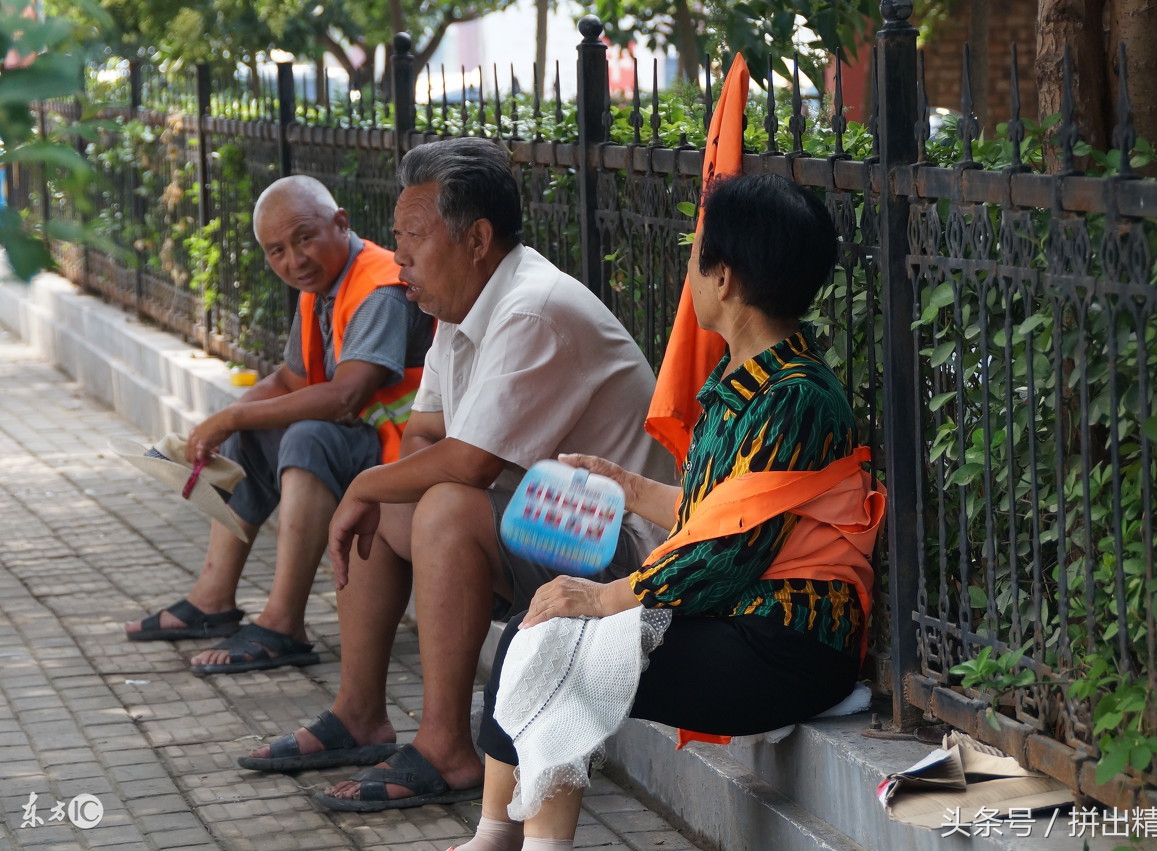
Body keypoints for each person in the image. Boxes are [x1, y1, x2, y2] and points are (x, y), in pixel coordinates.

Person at [451, 173, 886, 851]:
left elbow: (727, 552)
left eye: (695, 257)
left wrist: (604, 597)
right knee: (538, 629)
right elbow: (721, 513)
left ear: (727, 280)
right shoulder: (746, 378)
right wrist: (625, 485)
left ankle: (515, 841)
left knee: (558, 638)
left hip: (789, 646)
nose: (689, 271)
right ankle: (497, 834)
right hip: (741, 624)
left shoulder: (796, 398)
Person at [239, 137, 671, 810]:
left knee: (436, 502)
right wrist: (381, 489)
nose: (400, 256)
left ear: (476, 238)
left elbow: (468, 460)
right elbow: (422, 432)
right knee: (403, 495)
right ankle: (359, 714)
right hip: (543, 523)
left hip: (623, 552)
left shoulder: (532, 306)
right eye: (396, 237)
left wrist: (364, 486)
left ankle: (445, 747)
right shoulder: (457, 304)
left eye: (415, 236)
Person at [124, 175, 434, 676]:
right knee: (257, 432)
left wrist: (232, 414)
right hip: (372, 444)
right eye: (277, 251)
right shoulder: (323, 287)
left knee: (309, 437)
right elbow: (290, 379)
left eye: (305, 238)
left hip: (410, 459)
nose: (294, 261)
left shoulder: (378, 289)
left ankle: (283, 623)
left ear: (341, 224)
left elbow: (343, 397)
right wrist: (219, 426)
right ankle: (212, 600)